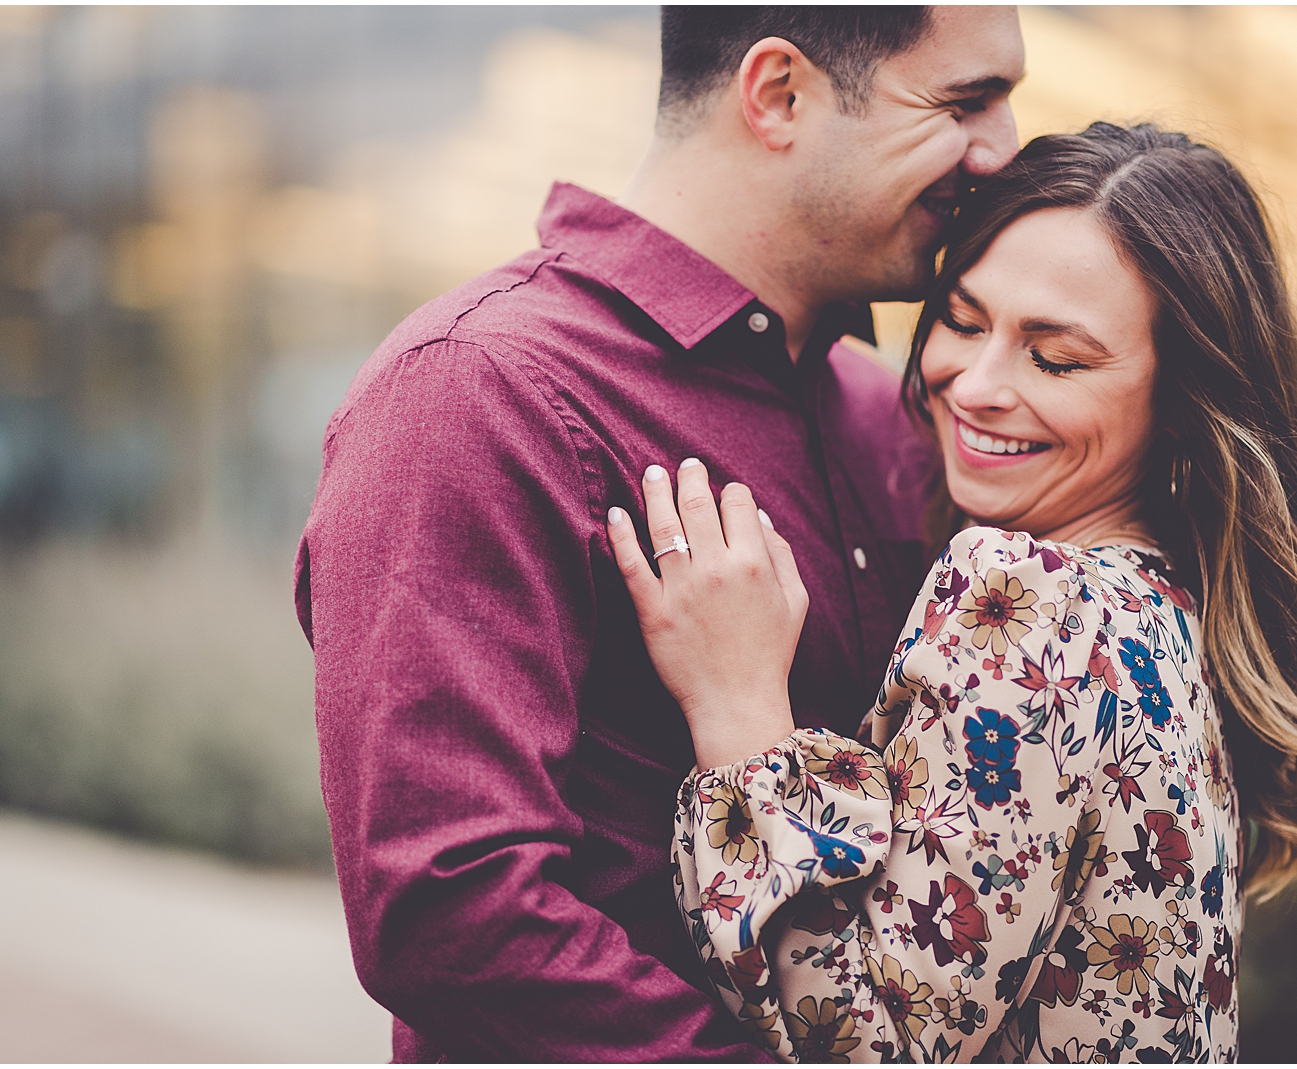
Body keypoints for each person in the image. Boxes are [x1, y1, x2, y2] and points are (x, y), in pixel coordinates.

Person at [294, 7, 1026, 1062]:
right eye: (965, 102)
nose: (1003, 151)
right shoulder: (477, 391)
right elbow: (451, 912)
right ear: (779, 94)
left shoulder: (895, 420)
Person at [606, 123, 1297, 1062]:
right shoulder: (1169, 608)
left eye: (1057, 357)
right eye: (961, 319)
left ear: (1183, 399)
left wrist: (738, 706)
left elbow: (866, 1043)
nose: (976, 384)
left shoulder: (1027, 601)